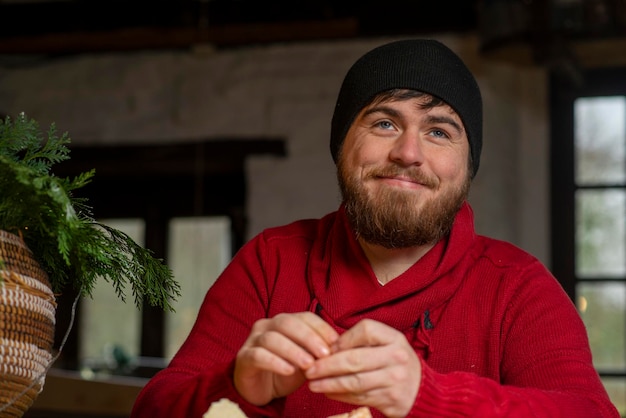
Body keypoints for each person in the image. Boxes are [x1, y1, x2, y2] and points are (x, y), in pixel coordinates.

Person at [131, 39, 620, 418]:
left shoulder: (516, 284)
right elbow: (154, 408)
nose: (408, 152)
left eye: (438, 131)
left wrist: (428, 397)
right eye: (384, 123)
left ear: (467, 167)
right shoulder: (271, 260)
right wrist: (235, 385)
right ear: (342, 146)